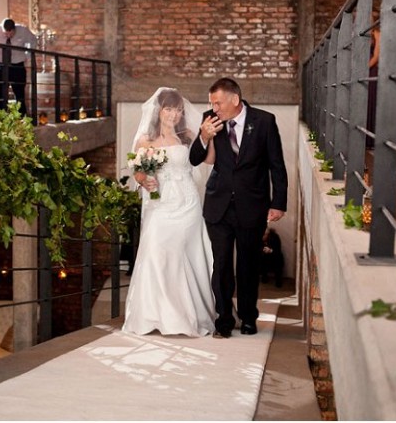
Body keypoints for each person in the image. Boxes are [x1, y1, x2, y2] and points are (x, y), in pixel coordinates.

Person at [190, 77, 288, 338]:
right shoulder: (210, 119)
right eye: (212, 103)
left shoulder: (264, 121)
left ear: (235, 99)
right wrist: (204, 136)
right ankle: (223, 319)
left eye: (218, 103)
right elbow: (194, 159)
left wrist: (278, 203)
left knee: (248, 265)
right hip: (218, 206)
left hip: (252, 206)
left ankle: (248, 317)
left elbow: (276, 165)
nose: (214, 108)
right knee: (221, 264)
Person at [122, 88, 216, 337]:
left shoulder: (187, 136)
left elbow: (209, 159)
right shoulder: (145, 140)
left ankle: (186, 315)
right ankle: (155, 314)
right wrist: (145, 181)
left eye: (178, 110)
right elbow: (138, 173)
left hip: (187, 202)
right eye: (169, 109)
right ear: (159, 110)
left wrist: (209, 137)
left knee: (184, 254)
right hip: (160, 203)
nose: (174, 114)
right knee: (156, 252)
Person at [0, 18, 36, 116]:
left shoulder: (23, 31)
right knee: (0, 94)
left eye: (11, 33)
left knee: (20, 94)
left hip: (18, 65)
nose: (8, 36)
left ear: (14, 29)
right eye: (6, 33)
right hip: (1, 65)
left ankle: (21, 118)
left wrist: (27, 56)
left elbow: (33, 41)